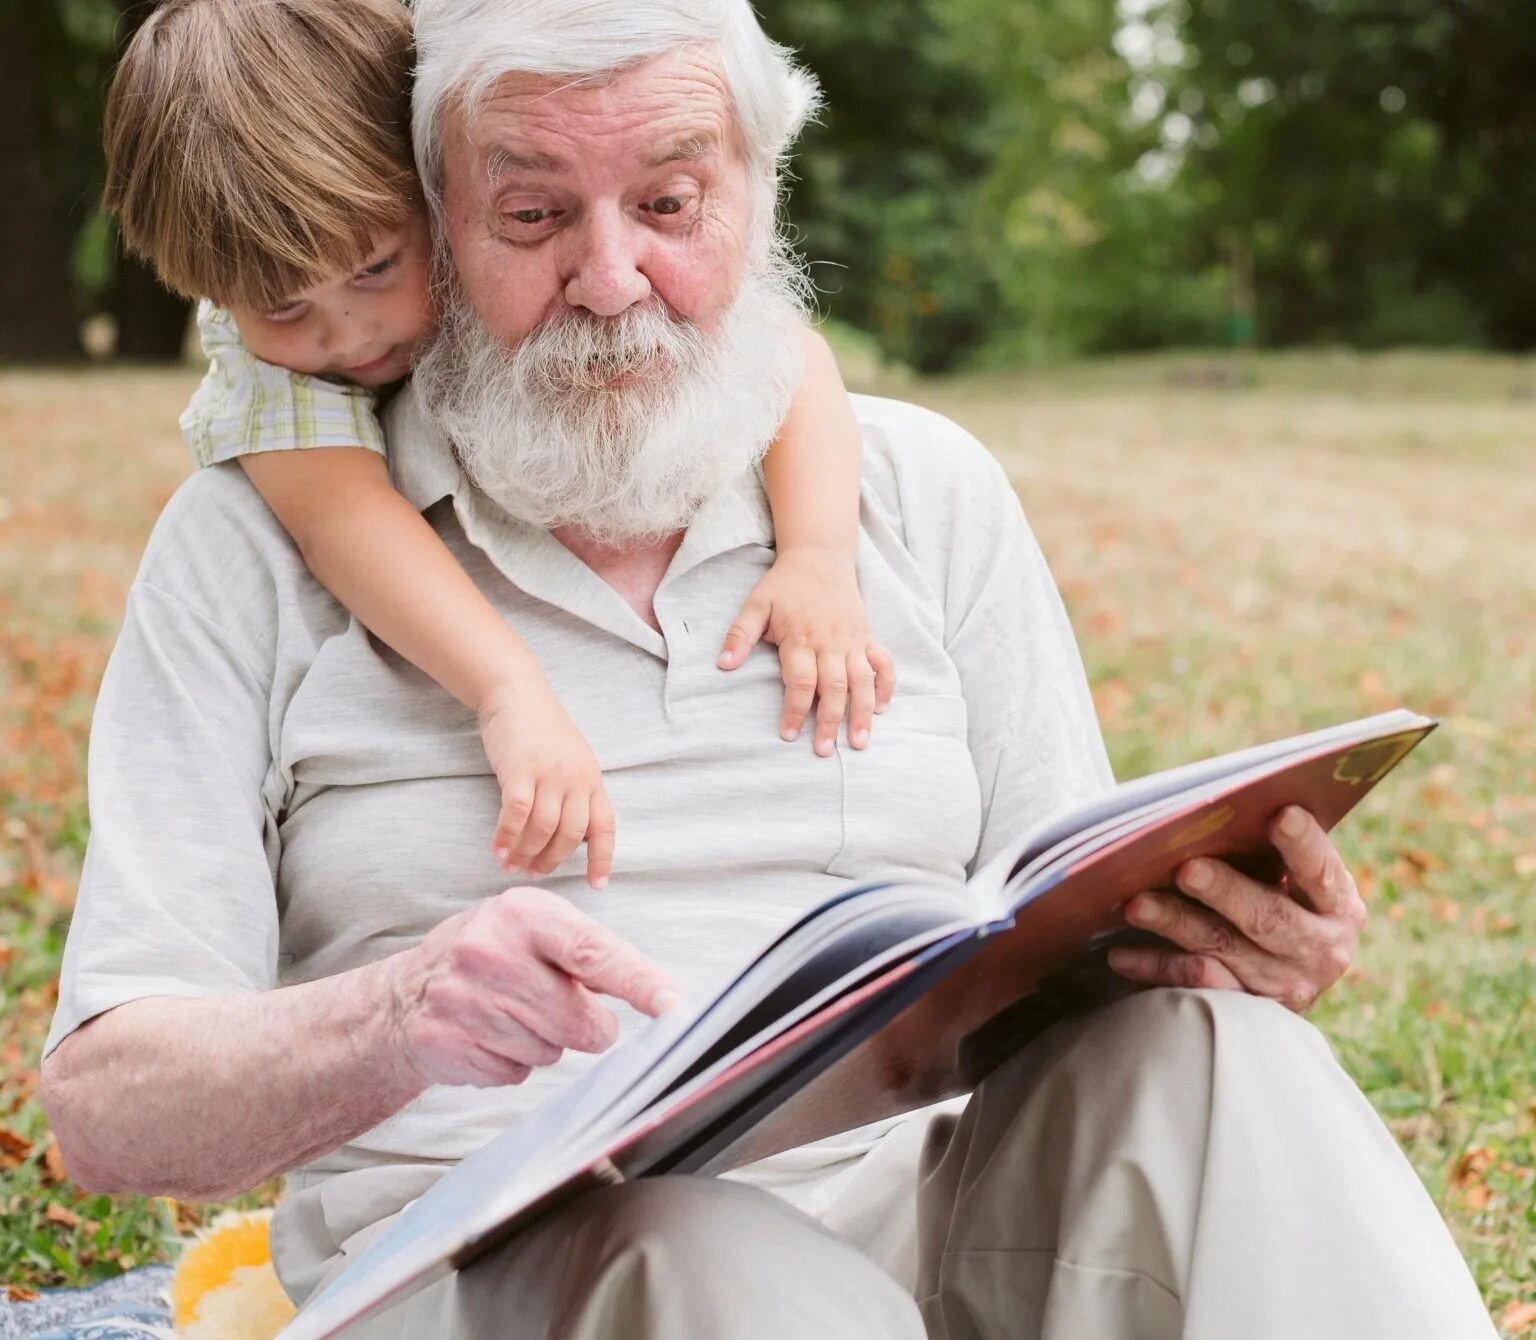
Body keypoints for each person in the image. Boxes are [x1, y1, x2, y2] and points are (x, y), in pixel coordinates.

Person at [41, 1, 1496, 1336]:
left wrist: (1219, 938)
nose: (613, 281)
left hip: (925, 1223)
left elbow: (1072, 935)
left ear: (759, 188)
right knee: (693, 1253)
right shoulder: (251, 540)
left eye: (672, 204)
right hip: (494, 1275)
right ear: (440, 202)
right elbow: (108, 1117)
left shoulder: (916, 489)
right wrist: (395, 1017)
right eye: (534, 211)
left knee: (1220, 1062)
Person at [101, 0, 893, 890]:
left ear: (427, 189)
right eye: (282, 308)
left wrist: (819, 556)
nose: (347, 334)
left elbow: (793, 360)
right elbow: (346, 524)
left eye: (375, 270)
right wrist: (507, 688)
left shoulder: (914, 477)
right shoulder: (269, 379)